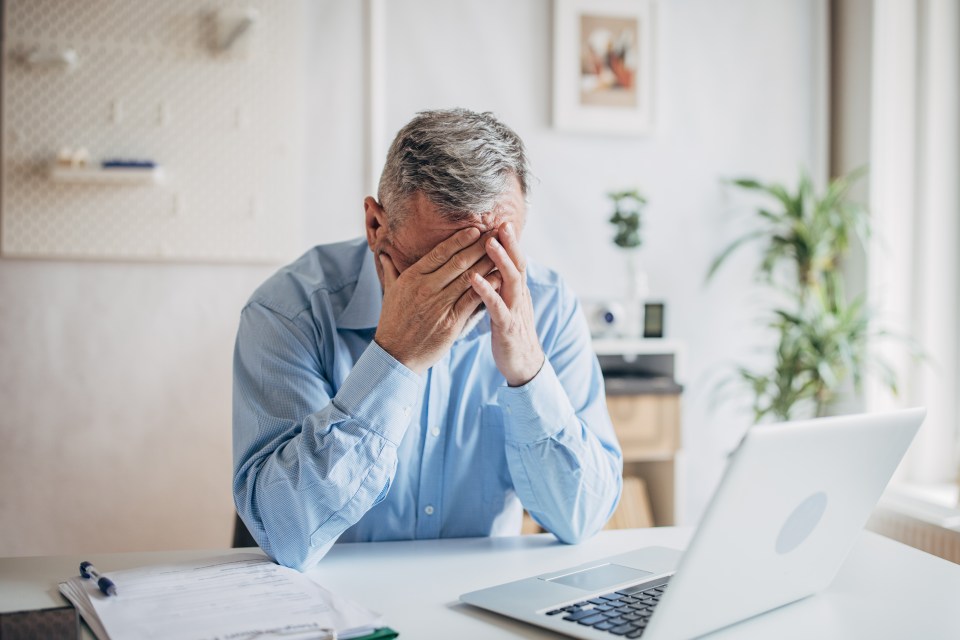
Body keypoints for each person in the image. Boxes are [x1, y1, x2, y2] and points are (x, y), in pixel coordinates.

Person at [233, 108, 622, 570]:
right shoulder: (289, 311)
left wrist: (528, 371)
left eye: (492, 259)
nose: (473, 289)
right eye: (442, 268)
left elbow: (583, 518)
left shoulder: (548, 305)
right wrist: (394, 360)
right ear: (377, 228)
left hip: (480, 600)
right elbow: (285, 533)